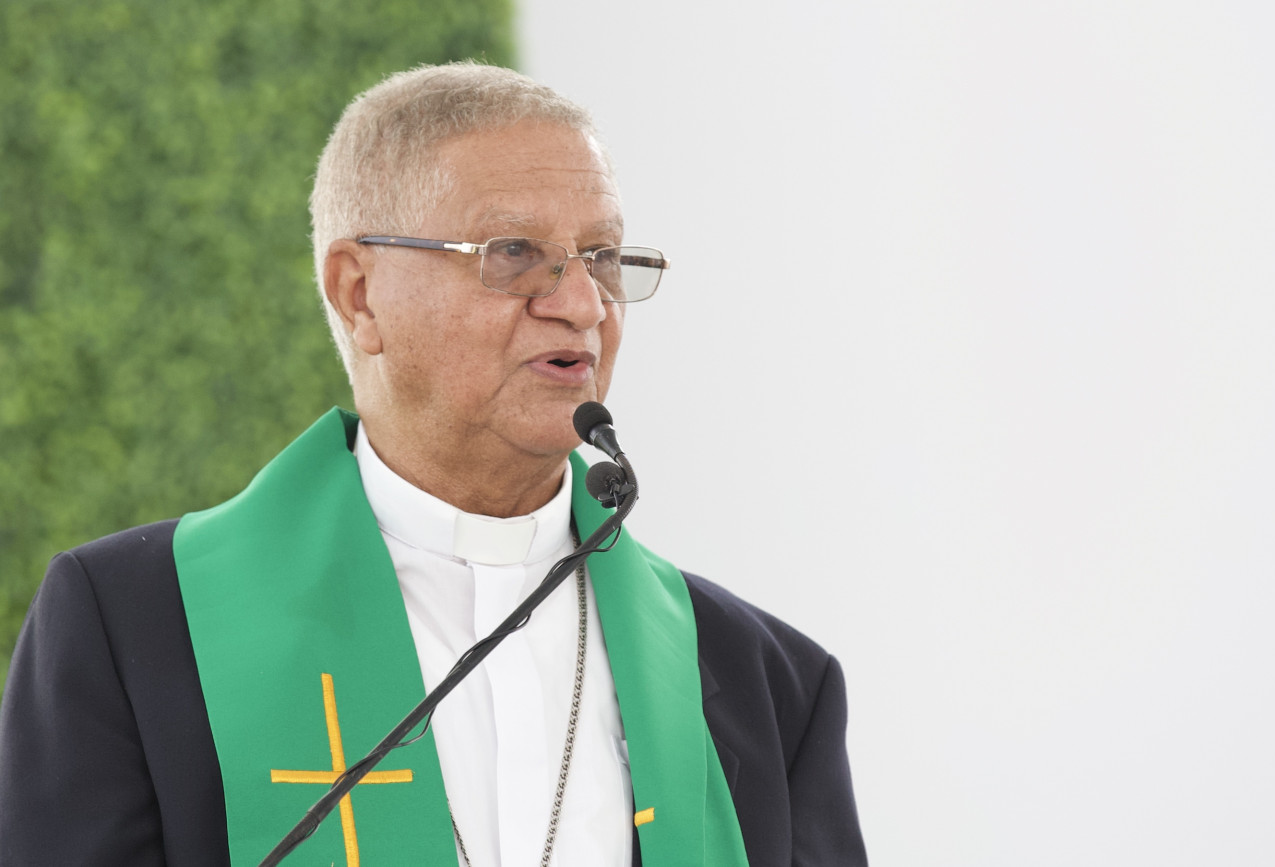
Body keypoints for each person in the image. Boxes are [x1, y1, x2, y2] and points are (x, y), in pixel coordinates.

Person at [0, 62, 868, 867]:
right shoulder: (134, 629)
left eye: (603, 257)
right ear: (360, 294)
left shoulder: (767, 687)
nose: (582, 304)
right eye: (513, 252)